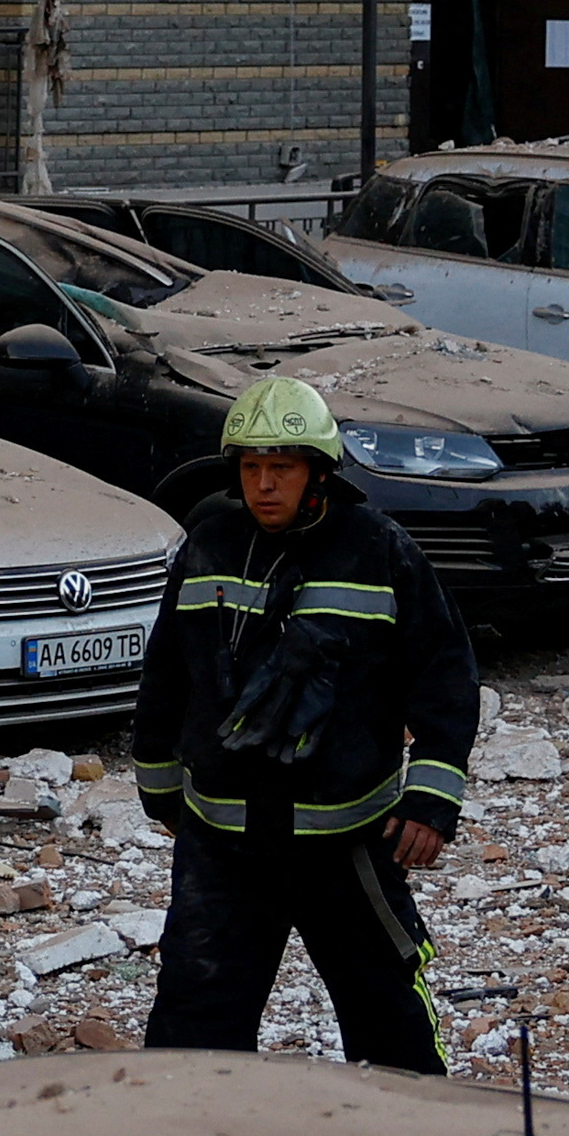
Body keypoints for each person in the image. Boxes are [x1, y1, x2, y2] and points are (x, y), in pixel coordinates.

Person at [132, 375, 479, 1074]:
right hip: (223, 849)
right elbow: (167, 674)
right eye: (252, 468)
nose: (263, 485)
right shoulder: (207, 546)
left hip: (347, 848)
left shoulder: (379, 551)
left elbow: (445, 676)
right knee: (191, 1032)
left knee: (393, 1030)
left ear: (318, 471)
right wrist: (160, 789)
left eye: (281, 469)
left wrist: (432, 800)